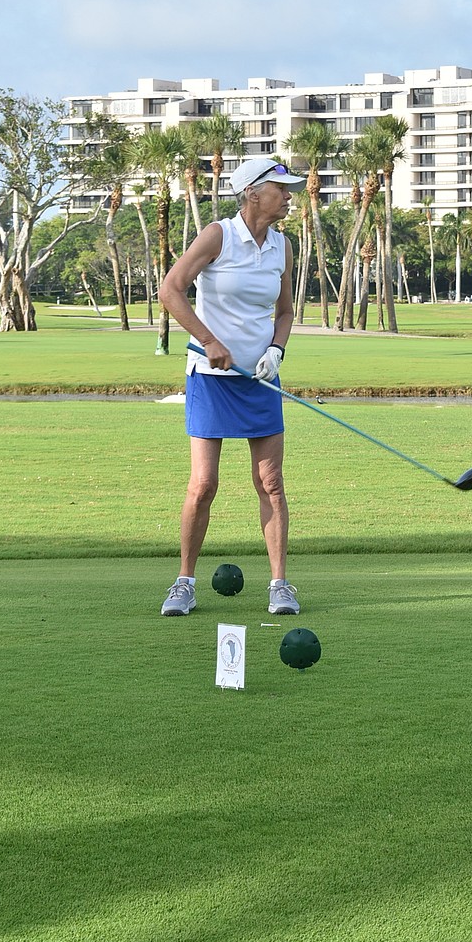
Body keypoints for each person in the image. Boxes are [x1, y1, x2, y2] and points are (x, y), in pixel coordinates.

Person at [158, 156, 307, 618]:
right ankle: (184, 582)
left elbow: (284, 312)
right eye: (282, 189)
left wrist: (276, 351)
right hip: (211, 378)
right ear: (253, 193)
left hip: (260, 378)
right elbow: (171, 290)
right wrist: (209, 340)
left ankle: (280, 585)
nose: (289, 197)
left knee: (271, 482)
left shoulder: (282, 246)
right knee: (204, 485)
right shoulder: (218, 235)